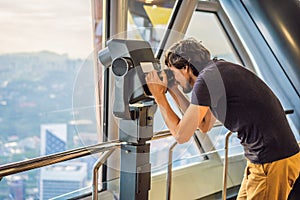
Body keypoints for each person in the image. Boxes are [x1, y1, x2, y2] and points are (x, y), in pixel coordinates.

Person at [145, 38, 300, 199]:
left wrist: (159, 97)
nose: (173, 77)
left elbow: (181, 135)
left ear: (185, 67)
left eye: (172, 72)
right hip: (268, 158)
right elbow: (204, 125)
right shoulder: (217, 71)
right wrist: (173, 89)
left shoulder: (207, 80)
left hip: (271, 161)